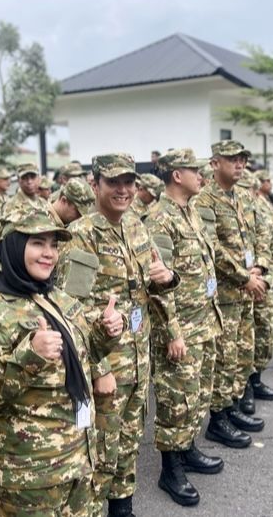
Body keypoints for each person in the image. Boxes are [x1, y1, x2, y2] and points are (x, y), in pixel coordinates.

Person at [0, 213, 122, 516]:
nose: (49, 253)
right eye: (37, 243)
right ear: (14, 247)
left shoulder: (55, 297)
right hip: (29, 477)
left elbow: (86, 354)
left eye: (53, 245)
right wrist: (28, 356)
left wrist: (106, 330)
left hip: (77, 458)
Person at [57, 153, 178, 517]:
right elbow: (71, 310)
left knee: (128, 439)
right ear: (95, 185)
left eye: (129, 182)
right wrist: (98, 368)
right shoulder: (81, 237)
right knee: (100, 444)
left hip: (139, 357)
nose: (123, 190)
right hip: (108, 361)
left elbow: (150, 286)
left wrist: (169, 279)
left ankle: (122, 506)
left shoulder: (137, 226)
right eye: (114, 183)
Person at [144, 148, 224, 507]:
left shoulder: (189, 212)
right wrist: (173, 331)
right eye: (195, 170)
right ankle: (170, 469)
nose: (202, 175)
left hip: (203, 321)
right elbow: (158, 284)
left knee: (197, 395)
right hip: (181, 328)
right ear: (177, 175)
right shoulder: (160, 219)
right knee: (176, 399)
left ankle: (188, 448)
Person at [194, 141, 269, 447]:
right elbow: (213, 248)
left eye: (242, 160)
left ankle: (232, 406)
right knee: (223, 358)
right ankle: (218, 419)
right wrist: (243, 276)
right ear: (214, 164)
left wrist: (259, 269)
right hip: (224, 294)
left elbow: (254, 235)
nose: (239, 165)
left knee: (240, 353)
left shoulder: (241, 197)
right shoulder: (204, 201)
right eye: (232, 160)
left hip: (245, 289)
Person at [240, 170, 273, 404]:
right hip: (242, 287)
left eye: (251, 189)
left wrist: (266, 275)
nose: (250, 194)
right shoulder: (232, 215)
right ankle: (244, 388)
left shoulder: (264, 211)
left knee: (265, 337)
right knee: (244, 342)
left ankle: (256, 380)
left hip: (262, 285)